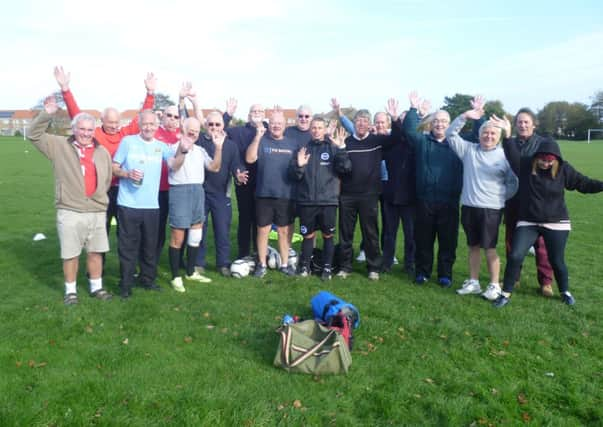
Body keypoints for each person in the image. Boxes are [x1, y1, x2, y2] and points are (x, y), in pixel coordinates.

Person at [493, 126, 603, 307]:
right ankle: (505, 293)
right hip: (529, 221)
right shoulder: (526, 165)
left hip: (556, 222)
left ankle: (565, 292)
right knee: (515, 255)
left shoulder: (563, 170)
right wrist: (507, 135)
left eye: (549, 162)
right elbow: (512, 153)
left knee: (556, 260)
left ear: (556, 160)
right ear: (536, 157)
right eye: (542, 160)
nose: (545, 164)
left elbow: (584, 184)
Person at [27, 95, 113, 304]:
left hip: (96, 210)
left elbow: (107, 178)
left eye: (89, 130)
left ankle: (96, 288)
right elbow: (33, 134)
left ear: (94, 131)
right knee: (70, 254)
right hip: (70, 210)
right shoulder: (58, 145)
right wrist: (47, 114)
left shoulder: (102, 152)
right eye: (82, 129)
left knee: (95, 252)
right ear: (74, 129)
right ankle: (70, 291)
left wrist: (98, 199)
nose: (86, 133)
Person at [53, 66, 156, 238]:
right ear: (101, 121)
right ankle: (99, 262)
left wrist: (150, 94)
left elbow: (142, 117)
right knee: (100, 231)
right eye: (110, 123)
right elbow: (76, 115)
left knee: (125, 231)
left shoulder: (125, 134)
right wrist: (65, 90)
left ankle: (126, 263)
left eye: (117, 122)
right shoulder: (96, 134)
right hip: (101, 189)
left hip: (124, 188)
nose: (114, 126)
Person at [445, 98, 518, 300]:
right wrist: (464, 116)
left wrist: (500, 198)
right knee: (473, 247)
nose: (488, 136)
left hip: (491, 209)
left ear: (499, 136)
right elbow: (450, 134)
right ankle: (474, 282)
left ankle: (494, 284)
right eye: (485, 132)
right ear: (479, 134)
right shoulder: (469, 150)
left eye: (493, 133)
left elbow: (513, 183)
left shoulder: (505, 156)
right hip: (469, 206)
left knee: (490, 249)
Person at [111, 110, 188, 298]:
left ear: (156, 125)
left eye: (152, 124)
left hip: (152, 206)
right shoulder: (128, 142)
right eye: (145, 124)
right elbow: (114, 167)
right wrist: (127, 174)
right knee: (128, 246)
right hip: (128, 204)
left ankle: (148, 279)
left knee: (150, 245)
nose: (149, 128)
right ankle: (126, 284)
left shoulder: (161, 146)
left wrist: (183, 150)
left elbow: (174, 165)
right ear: (139, 124)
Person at [401, 91, 462, 287]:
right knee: (423, 239)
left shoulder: (458, 144)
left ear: (450, 124)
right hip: (425, 200)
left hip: (449, 201)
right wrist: (413, 109)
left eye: (444, 121)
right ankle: (422, 272)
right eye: (436, 121)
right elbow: (409, 131)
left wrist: (477, 116)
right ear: (431, 123)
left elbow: (482, 136)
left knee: (448, 241)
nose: (440, 124)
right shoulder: (422, 141)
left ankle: (445, 274)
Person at [332, 101, 397, 280]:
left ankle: (373, 267)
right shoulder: (346, 141)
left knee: (371, 233)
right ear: (355, 123)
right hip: (347, 195)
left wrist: (395, 118)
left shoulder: (377, 141)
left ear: (370, 124)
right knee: (346, 233)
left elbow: (397, 137)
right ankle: (345, 266)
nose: (361, 124)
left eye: (365, 121)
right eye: (358, 121)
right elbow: (339, 166)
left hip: (369, 195)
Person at [167, 117, 225, 293]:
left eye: (196, 129)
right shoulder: (172, 147)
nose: (193, 131)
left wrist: (219, 147)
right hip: (180, 191)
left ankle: (191, 272)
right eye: (189, 128)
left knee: (196, 233)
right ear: (183, 129)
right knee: (178, 236)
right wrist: (183, 151)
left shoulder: (200, 150)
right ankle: (175, 276)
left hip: (198, 191)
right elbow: (174, 167)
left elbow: (214, 167)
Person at [289, 118, 351, 280]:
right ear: (310, 130)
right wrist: (299, 165)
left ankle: (327, 268)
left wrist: (342, 148)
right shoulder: (303, 149)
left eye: (320, 127)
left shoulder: (333, 147)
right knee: (307, 236)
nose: (316, 130)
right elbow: (294, 176)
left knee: (327, 236)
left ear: (324, 130)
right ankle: (305, 267)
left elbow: (345, 169)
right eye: (314, 127)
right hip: (307, 201)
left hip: (328, 201)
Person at [504, 108, 555, 296]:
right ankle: (514, 278)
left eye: (526, 122)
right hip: (514, 201)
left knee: (541, 245)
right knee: (512, 242)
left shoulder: (544, 144)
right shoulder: (509, 143)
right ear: (515, 125)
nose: (523, 125)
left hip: (537, 203)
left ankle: (546, 282)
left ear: (534, 124)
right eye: (519, 122)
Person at [195, 112, 248, 277]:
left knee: (222, 230)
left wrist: (239, 175)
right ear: (206, 125)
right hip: (201, 193)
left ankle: (223, 264)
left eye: (217, 125)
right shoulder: (199, 142)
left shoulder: (231, 145)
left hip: (221, 195)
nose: (214, 128)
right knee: (199, 230)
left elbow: (236, 165)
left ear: (223, 126)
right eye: (211, 124)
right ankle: (198, 263)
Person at [246, 111, 298, 277]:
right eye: (273, 123)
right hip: (264, 194)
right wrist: (257, 137)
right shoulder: (261, 141)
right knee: (263, 231)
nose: (276, 126)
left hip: (285, 195)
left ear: (285, 126)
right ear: (269, 125)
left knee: (284, 231)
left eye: (279, 123)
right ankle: (261, 264)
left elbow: (298, 168)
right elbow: (249, 159)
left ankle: (284, 264)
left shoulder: (292, 144)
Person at [226, 104, 267, 259]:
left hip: (264, 182)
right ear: (249, 115)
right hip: (244, 181)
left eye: (260, 111)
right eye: (254, 111)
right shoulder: (237, 132)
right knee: (245, 218)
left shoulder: (269, 131)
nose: (256, 113)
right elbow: (218, 130)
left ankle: (258, 252)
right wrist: (227, 115)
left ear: (264, 115)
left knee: (260, 219)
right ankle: (243, 253)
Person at [154, 104, 181, 262]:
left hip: (178, 189)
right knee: (158, 228)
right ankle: (152, 261)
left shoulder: (183, 134)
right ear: (162, 116)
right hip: (158, 189)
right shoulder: (155, 133)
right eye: (169, 115)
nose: (172, 119)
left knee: (180, 227)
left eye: (176, 117)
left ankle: (179, 261)